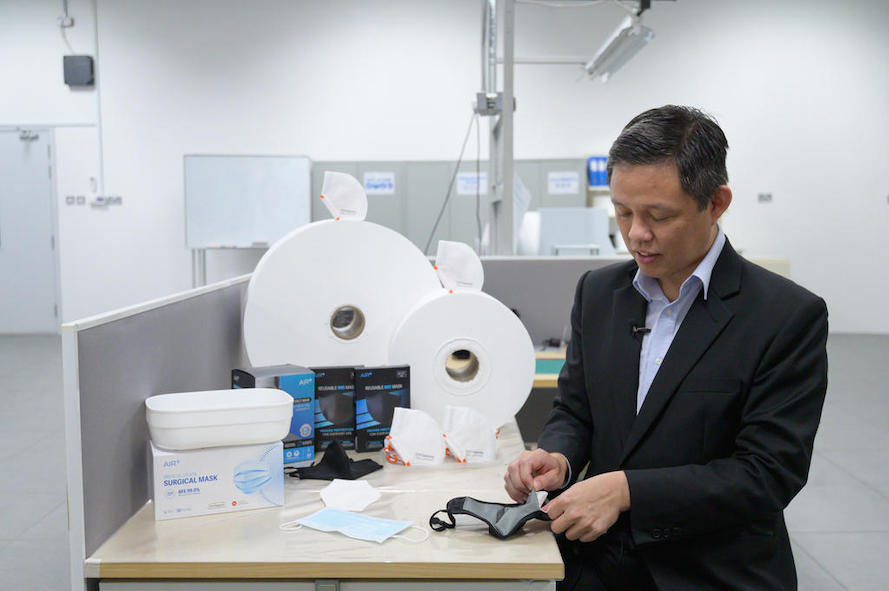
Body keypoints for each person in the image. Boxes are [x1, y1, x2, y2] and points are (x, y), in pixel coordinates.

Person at [504, 105, 828, 591]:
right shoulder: (598, 293)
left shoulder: (785, 316)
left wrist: (626, 490)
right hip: (597, 567)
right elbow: (576, 410)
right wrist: (558, 458)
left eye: (659, 215)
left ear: (716, 203)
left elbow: (767, 473)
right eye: (623, 211)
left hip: (711, 571)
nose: (636, 233)